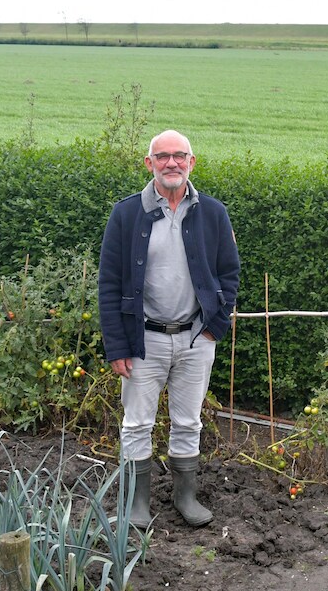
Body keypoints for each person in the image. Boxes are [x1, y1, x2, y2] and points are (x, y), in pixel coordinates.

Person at [98, 129, 240, 528]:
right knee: (137, 422)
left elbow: (229, 273)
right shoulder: (126, 214)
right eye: (162, 157)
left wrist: (216, 325)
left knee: (188, 421)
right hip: (144, 339)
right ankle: (137, 503)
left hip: (196, 337)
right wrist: (117, 346)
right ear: (149, 164)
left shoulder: (212, 213)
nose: (171, 163)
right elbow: (109, 283)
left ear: (192, 162)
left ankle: (185, 497)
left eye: (180, 156)